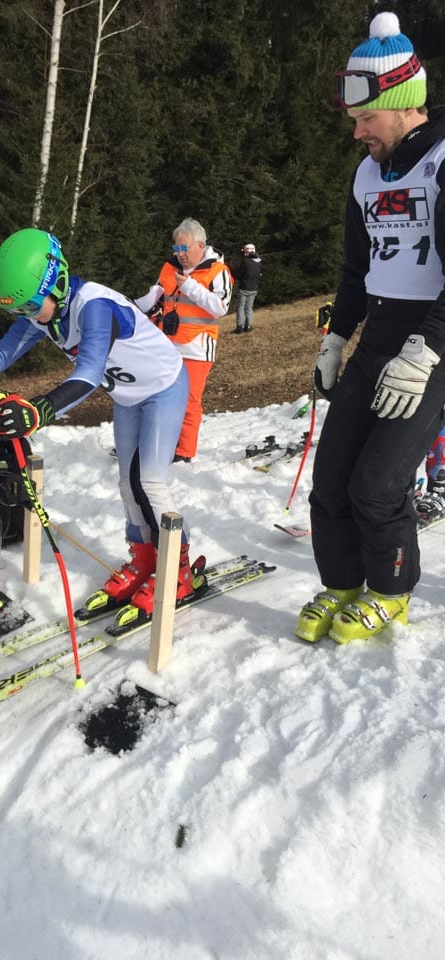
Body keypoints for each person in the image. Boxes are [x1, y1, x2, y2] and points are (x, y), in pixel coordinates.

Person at [0, 227, 198, 615]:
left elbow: (89, 373)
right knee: (127, 486)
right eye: (18, 310)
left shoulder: (94, 306)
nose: (28, 316)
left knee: (150, 481)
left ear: (56, 281)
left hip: (164, 387)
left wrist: (38, 411)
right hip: (129, 397)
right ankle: (145, 559)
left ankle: (178, 570)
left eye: (30, 306)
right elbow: (1, 355)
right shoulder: (44, 312)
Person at [295, 12, 445, 645]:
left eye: (367, 118)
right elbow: (357, 270)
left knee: (378, 484)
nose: (357, 132)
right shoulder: (365, 175)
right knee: (330, 478)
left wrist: (425, 350)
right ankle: (342, 582)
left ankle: (391, 591)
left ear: (406, 105)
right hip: (379, 335)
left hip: (433, 344)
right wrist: (337, 338)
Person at [136, 218, 232, 463]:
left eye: (184, 248)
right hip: (166, 344)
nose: (180, 254)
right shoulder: (169, 267)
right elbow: (158, 298)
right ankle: (153, 443)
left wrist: (190, 286)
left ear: (200, 245)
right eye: (177, 248)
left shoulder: (218, 271)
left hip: (197, 347)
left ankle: (184, 451)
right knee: (156, 394)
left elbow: (220, 307)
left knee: (189, 400)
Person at [233, 243, 262, 333]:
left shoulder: (245, 261)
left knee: (241, 307)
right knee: (249, 307)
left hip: (244, 288)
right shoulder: (258, 262)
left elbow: (238, 274)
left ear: (251, 252)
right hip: (254, 288)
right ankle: (248, 326)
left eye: (246, 252)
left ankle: (239, 327)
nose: (244, 254)